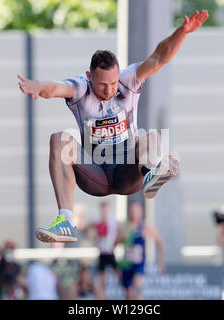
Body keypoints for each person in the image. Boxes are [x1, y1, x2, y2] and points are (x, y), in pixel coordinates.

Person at [18, 10, 209, 243]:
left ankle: (152, 174)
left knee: (149, 138)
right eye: (102, 85)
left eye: (113, 83)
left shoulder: (129, 80)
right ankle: (66, 221)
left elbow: (159, 58)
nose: (109, 91)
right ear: (90, 77)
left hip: (129, 172)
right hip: (96, 174)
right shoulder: (80, 88)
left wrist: (182, 32)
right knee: (59, 139)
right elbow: (56, 88)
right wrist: (38, 86)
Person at [118, 202, 165, 300]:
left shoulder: (144, 227)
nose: (133, 213)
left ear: (141, 212)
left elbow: (160, 242)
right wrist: (122, 238)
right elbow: (115, 244)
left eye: (135, 211)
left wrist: (161, 263)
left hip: (139, 264)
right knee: (128, 294)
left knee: (137, 287)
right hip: (126, 264)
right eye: (132, 211)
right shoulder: (124, 226)